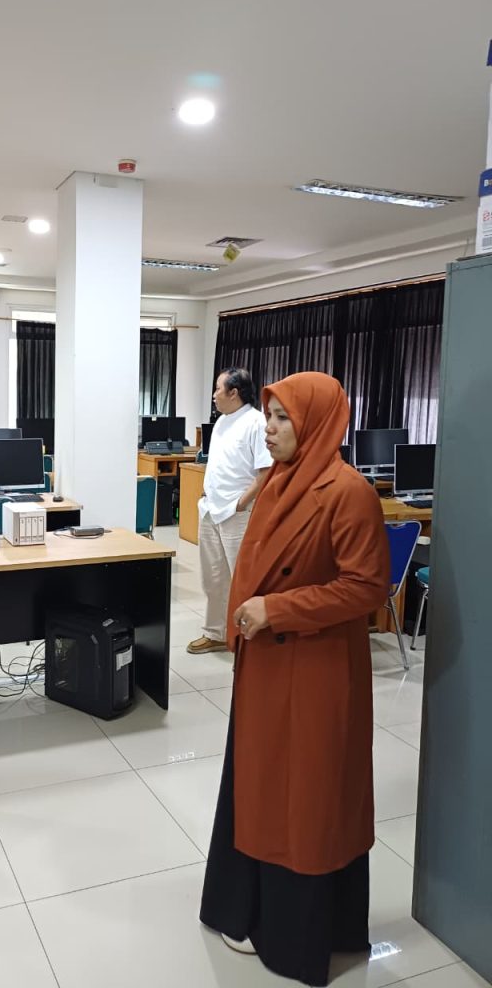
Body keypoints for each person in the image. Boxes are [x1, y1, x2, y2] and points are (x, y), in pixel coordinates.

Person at [199, 372, 390, 987]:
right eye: (271, 415)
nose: (271, 428)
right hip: (267, 664)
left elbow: (365, 588)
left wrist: (276, 610)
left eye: (284, 418)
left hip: (314, 669)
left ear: (317, 423)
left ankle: (295, 934)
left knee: (305, 796)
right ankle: (247, 907)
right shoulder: (280, 481)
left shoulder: (348, 491)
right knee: (259, 787)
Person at [187, 368, 272, 654]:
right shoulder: (222, 421)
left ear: (234, 392)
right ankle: (217, 633)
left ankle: (250, 638)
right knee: (213, 578)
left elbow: (266, 472)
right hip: (211, 509)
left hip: (238, 514)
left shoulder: (257, 422)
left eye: (218, 389)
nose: (214, 395)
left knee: (244, 578)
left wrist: (241, 503)